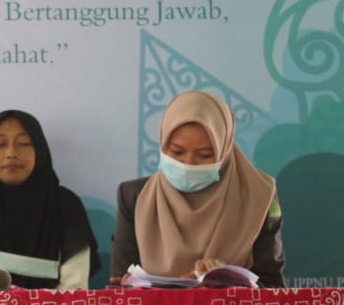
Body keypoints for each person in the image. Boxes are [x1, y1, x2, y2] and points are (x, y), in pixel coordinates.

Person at [110, 90, 284, 287]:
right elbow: (119, 285)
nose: (189, 163)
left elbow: (274, 287)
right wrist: (126, 286)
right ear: (163, 145)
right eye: (177, 152)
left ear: (224, 150)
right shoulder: (135, 197)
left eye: (205, 154)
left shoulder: (259, 197)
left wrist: (226, 282)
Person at [0, 109, 98, 290]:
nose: (11, 153)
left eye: (24, 143)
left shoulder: (66, 206)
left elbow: (75, 290)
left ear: (40, 150)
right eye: (0, 144)